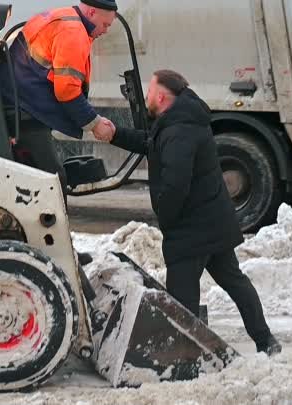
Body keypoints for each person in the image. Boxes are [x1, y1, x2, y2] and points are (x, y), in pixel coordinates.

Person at [96, 70, 282, 355]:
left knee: (182, 302)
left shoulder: (179, 131)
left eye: (149, 93)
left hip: (191, 229)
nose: (146, 98)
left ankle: (186, 355)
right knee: (234, 281)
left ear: (161, 97)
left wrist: (168, 222)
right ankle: (265, 340)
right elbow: (152, 144)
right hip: (212, 222)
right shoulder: (180, 122)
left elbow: (175, 185)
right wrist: (116, 135)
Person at [0, 0, 118, 203]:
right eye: (105, 24)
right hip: (26, 111)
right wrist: (95, 124)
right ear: (92, 12)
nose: (105, 31)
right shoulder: (73, 33)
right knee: (53, 181)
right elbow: (67, 91)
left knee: (36, 174)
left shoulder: (59, 16)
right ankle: (50, 231)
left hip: (15, 101)